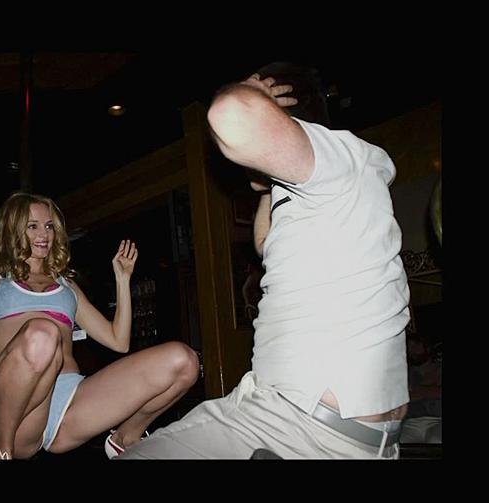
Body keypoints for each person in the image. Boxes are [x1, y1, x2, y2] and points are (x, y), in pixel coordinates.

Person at [120, 61, 410, 459]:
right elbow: (265, 243)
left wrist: (250, 93)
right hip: (318, 425)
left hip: (299, 425)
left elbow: (232, 116)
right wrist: (267, 184)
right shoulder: (332, 194)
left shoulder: (340, 157)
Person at [0, 192, 199, 460]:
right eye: (33, 226)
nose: (44, 234)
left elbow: (119, 342)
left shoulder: (68, 287)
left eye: (50, 226)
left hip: (70, 403)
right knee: (43, 334)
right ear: (14, 230)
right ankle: (1, 452)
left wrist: (122, 280)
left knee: (184, 361)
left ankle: (125, 439)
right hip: (10, 411)